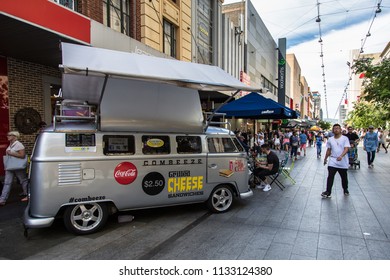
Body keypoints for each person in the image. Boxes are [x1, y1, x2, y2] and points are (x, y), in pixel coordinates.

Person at [321, 124, 350, 198]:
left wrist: (341, 156)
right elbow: (328, 150)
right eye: (335, 128)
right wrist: (325, 158)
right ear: (333, 130)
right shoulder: (330, 139)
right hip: (333, 160)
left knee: (344, 177)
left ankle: (345, 189)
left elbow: (346, 149)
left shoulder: (345, 138)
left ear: (340, 130)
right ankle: (328, 191)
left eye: (338, 128)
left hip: (342, 161)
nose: (336, 130)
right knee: (330, 176)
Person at [0, 131, 29, 206]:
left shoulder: (19, 145)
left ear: (14, 136)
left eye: (9, 135)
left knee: (23, 180)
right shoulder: (11, 144)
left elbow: (22, 155)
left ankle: (28, 195)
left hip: (17, 166)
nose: (7, 136)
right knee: (7, 183)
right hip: (10, 166)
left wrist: (11, 153)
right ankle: (2, 200)